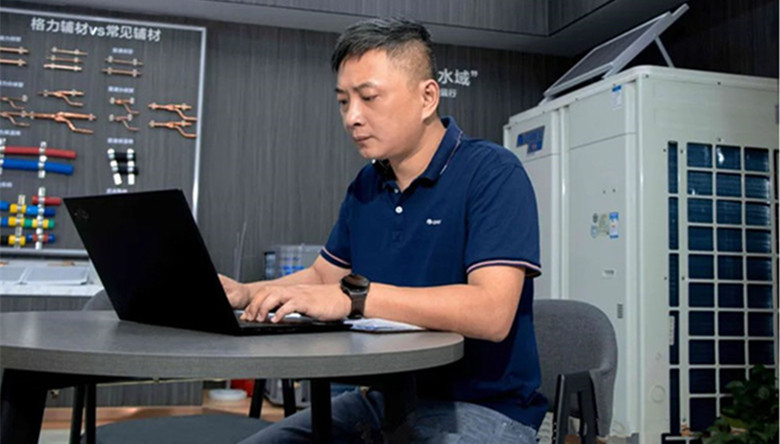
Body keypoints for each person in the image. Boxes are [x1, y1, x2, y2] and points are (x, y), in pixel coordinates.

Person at [222, 17, 547, 443]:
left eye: (369, 98)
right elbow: (323, 277)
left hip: (480, 407)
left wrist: (355, 300)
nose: (352, 117)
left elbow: (492, 312)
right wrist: (246, 293)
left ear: (427, 97)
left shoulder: (492, 173)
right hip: (382, 399)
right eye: (343, 102)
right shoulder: (367, 184)